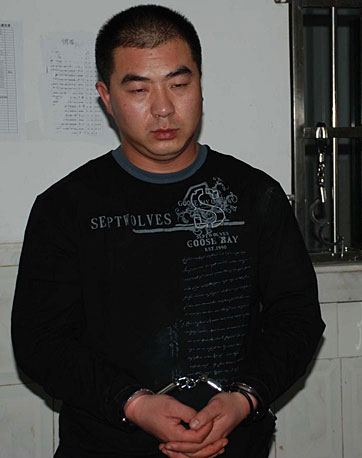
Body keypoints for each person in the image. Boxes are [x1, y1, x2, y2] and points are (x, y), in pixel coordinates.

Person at [11, 5, 325, 458]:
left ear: (200, 85)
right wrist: (133, 404)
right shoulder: (66, 208)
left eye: (179, 85)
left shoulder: (255, 196)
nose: (163, 108)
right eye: (139, 89)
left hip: (235, 444)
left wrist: (243, 399)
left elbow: (297, 317)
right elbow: (39, 342)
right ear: (106, 97)